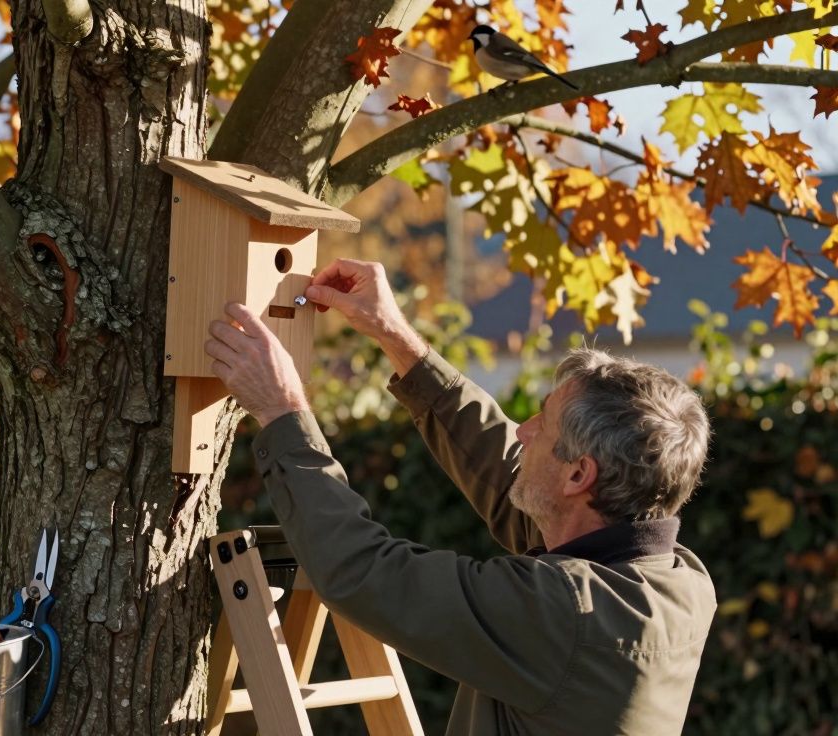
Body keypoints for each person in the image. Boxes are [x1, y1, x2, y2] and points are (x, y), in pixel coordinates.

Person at [204, 258, 716, 736]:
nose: (524, 432)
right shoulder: (676, 579)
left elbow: (364, 572)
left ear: (580, 474)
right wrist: (398, 339)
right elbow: (508, 476)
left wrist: (282, 412)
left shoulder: (564, 617)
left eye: (543, 424)